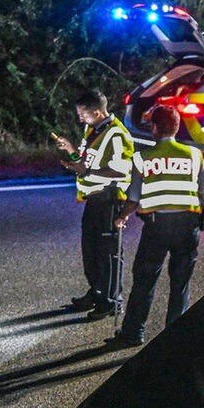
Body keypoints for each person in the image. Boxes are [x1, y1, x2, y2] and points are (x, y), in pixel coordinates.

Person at [107, 105, 204, 348]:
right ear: (177, 127)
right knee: (180, 284)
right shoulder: (194, 155)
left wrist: (121, 217)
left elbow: (134, 199)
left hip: (156, 228)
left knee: (145, 280)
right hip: (188, 228)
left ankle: (133, 332)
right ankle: (175, 338)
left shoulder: (142, 159)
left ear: (155, 128)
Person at [52, 90, 134, 320]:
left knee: (109, 253)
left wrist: (87, 171)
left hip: (109, 198)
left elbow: (121, 169)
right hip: (93, 198)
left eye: (83, 114)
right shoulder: (93, 129)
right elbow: (86, 159)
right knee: (91, 250)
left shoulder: (117, 134)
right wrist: (70, 150)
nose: (80, 119)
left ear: (97, 112)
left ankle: (111, 301)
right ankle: (97, 291)